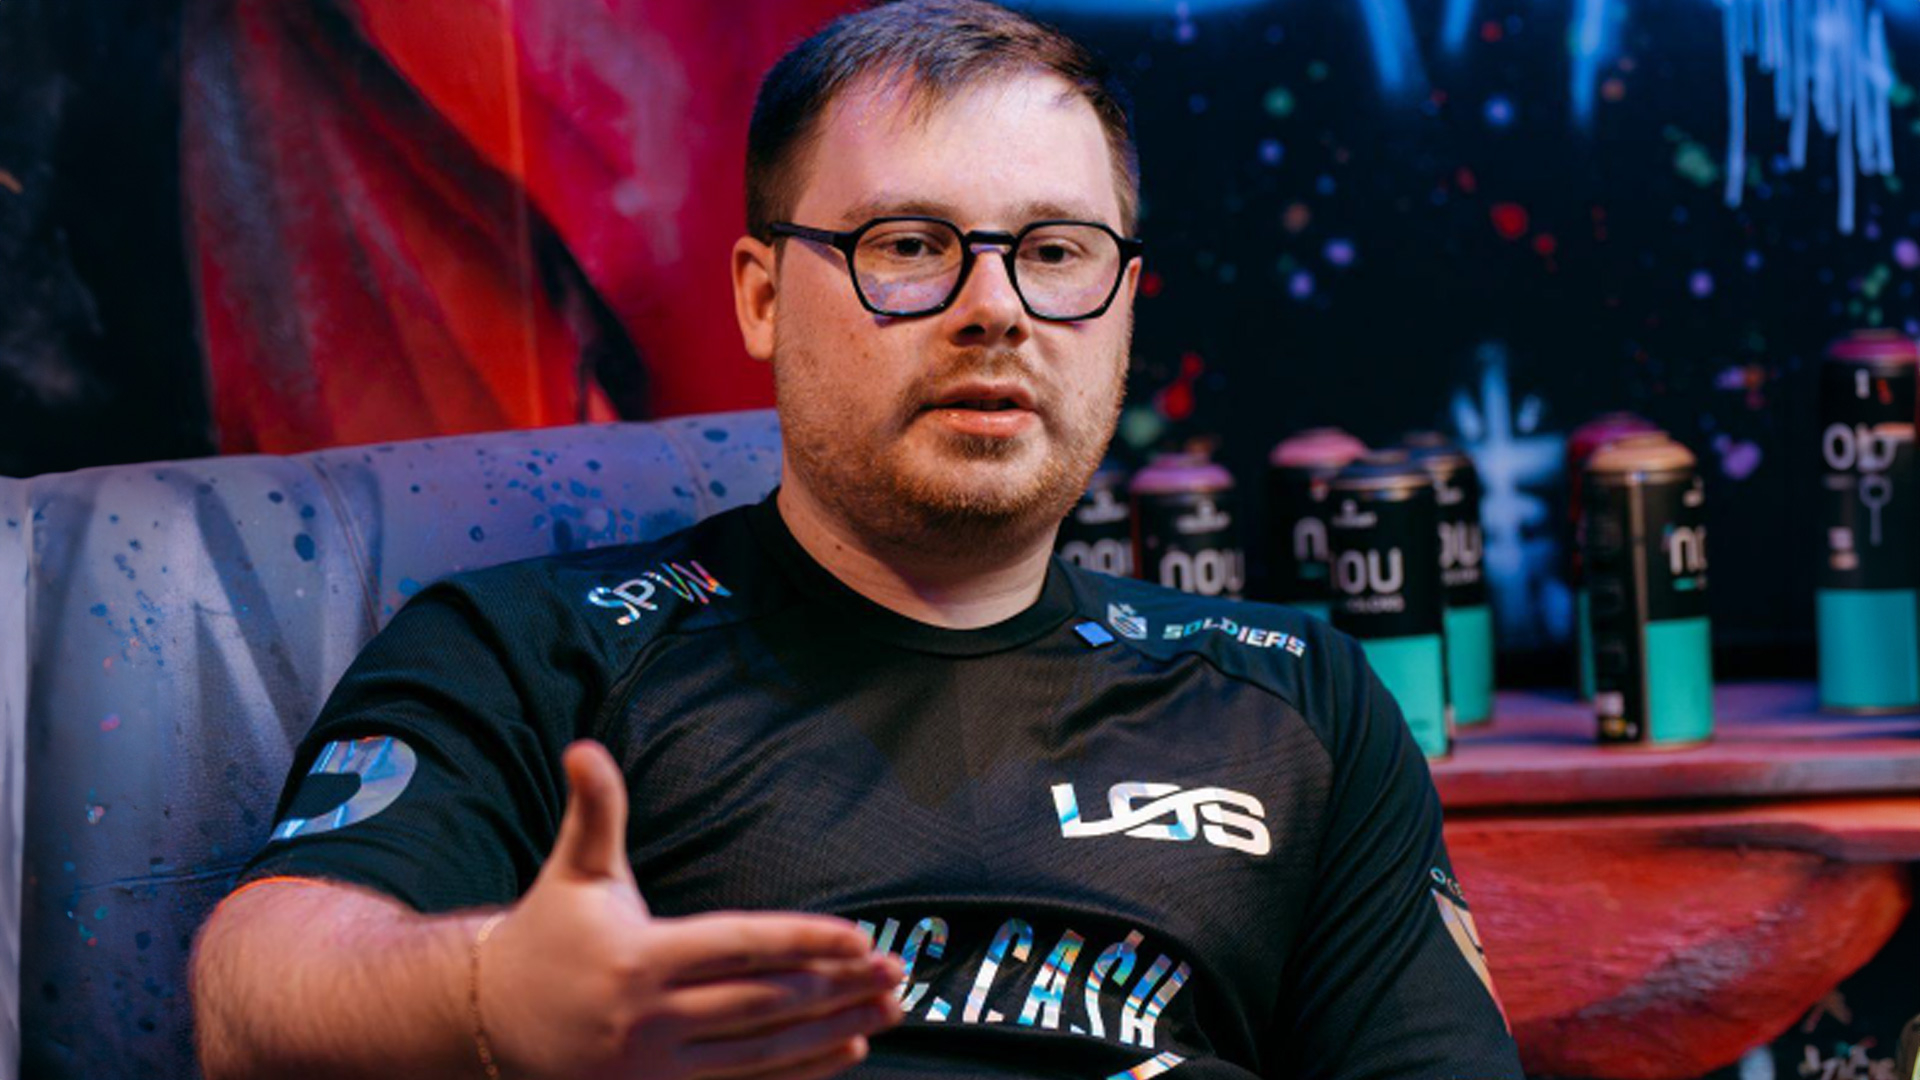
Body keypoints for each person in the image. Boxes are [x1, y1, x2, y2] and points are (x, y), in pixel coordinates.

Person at [189, 2, 1524, 1077]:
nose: (995, 308)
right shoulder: (534, 653)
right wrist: (493, 997)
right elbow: (254, 995)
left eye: (1057, 251)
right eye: (910, 244)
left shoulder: (1296, 701)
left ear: (1125, 300)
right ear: (763, 296)